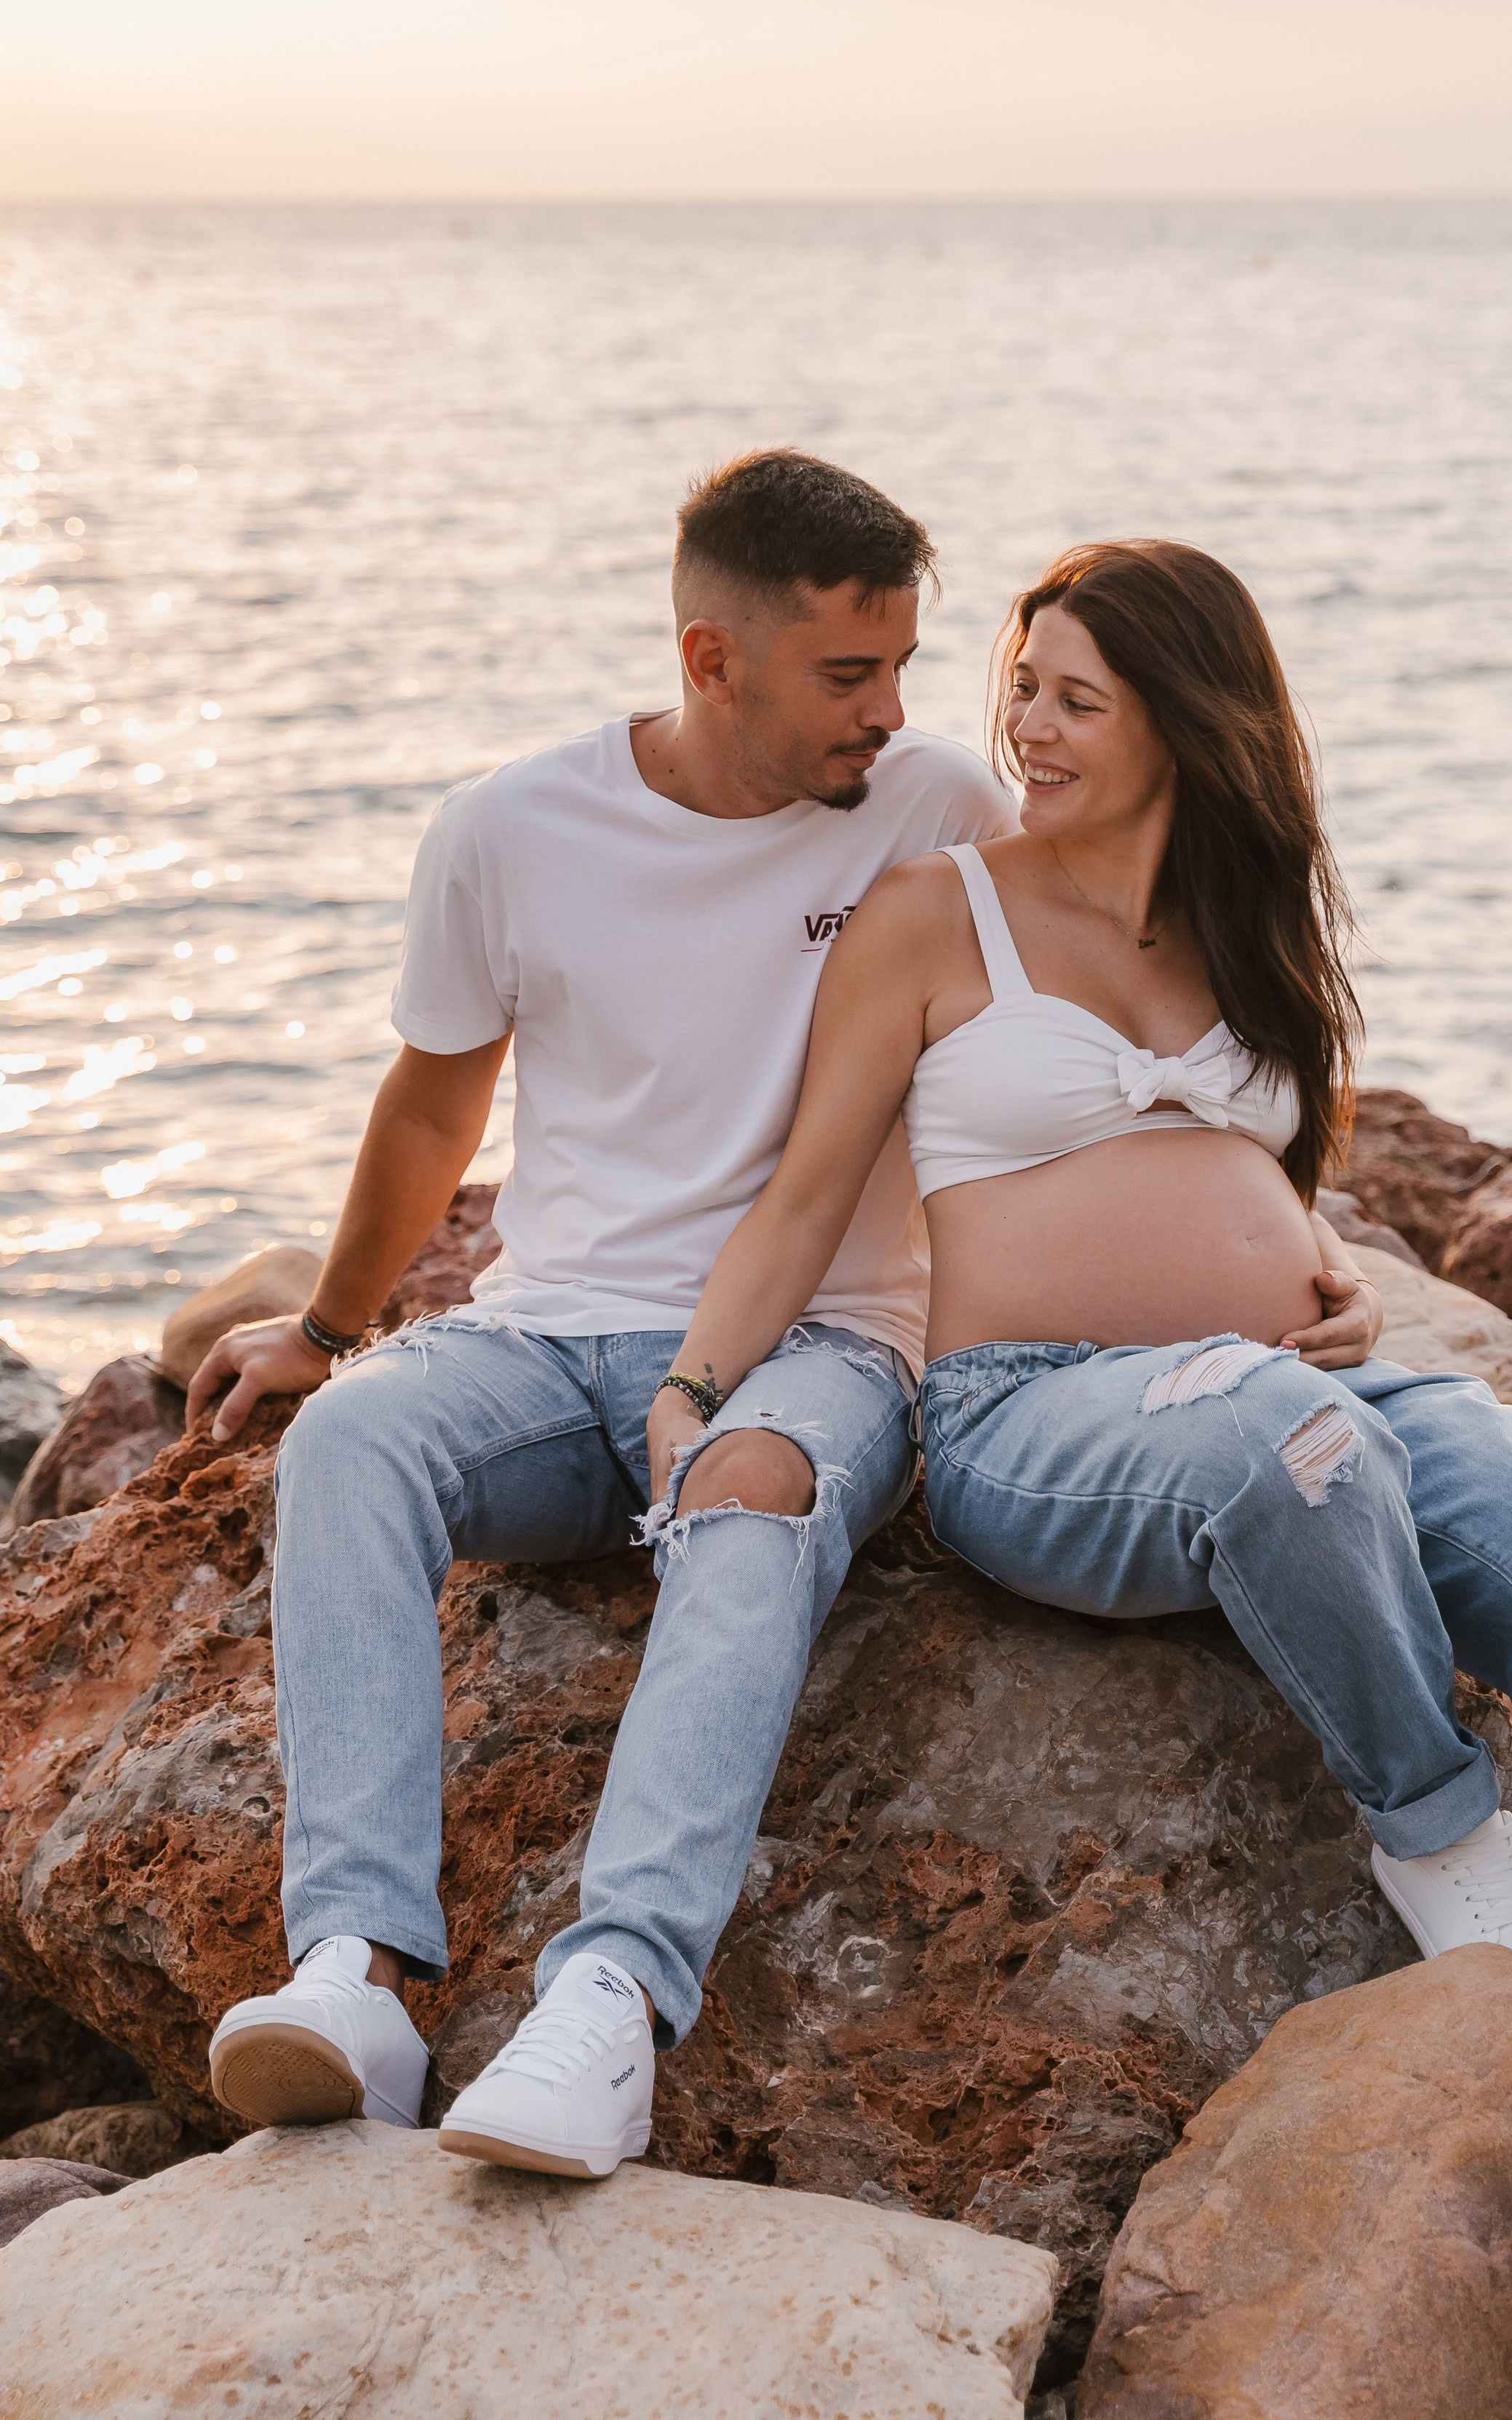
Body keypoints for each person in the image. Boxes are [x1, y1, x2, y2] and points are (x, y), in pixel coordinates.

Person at [653, 536, 1512, 2069]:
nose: (1024, 728)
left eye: (1075, 702)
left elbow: (1260, 1174)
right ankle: (1436, 1835)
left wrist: (1330, 1271)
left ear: (1183, 719)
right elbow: (806, 1197)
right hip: (1028, 1416)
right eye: (1020, 689)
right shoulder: (929, 916)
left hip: (1277, 1375)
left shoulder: (1249, 920)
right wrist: (695, 1391)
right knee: (1293, 1442)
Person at [191, 447, 1027, 2177]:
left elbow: (1099, 1010)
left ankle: (612, 2002)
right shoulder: (511, 829)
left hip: (820, 1339)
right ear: (709, 659)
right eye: (846, 673)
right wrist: (334, 1333)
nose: (890, 711)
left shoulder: (939, 806)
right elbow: (433, 1106)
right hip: (545, 1337)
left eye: (901, 668)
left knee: (745, 1494)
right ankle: (355, 1972)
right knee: (347, 1449)